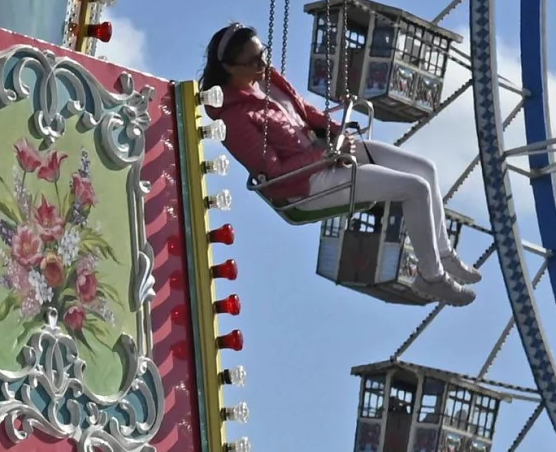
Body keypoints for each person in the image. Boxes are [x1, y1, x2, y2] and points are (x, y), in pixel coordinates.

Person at [200, 22, 481, 306]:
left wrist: (336, 132)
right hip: (307, 185)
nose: (262, 63)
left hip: (328, 152)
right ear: (230, 68)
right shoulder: (234, 119)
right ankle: (431, 277)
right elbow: (275, 173)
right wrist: (326, 154)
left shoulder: (267, 78)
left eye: (263, 54)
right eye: (253, 61)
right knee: (415, 189)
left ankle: (442, 253)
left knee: (425, 169)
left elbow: (303, 111)